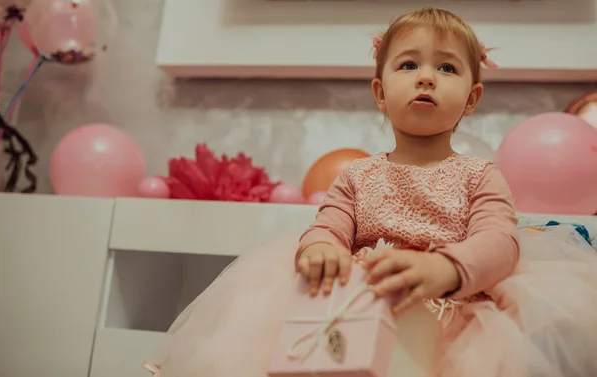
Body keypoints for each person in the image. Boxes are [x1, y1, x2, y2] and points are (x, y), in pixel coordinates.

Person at [145, 7, 597, 377]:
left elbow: (500, 242)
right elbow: (329, 224)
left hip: (450, 319)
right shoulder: (357, 175)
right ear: (381, 93)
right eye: (408, 64)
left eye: (446, 67)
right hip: (355, 307)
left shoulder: (481, 175)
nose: (426, 77)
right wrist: (321, 249)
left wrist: (447, 268)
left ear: (472, 98)